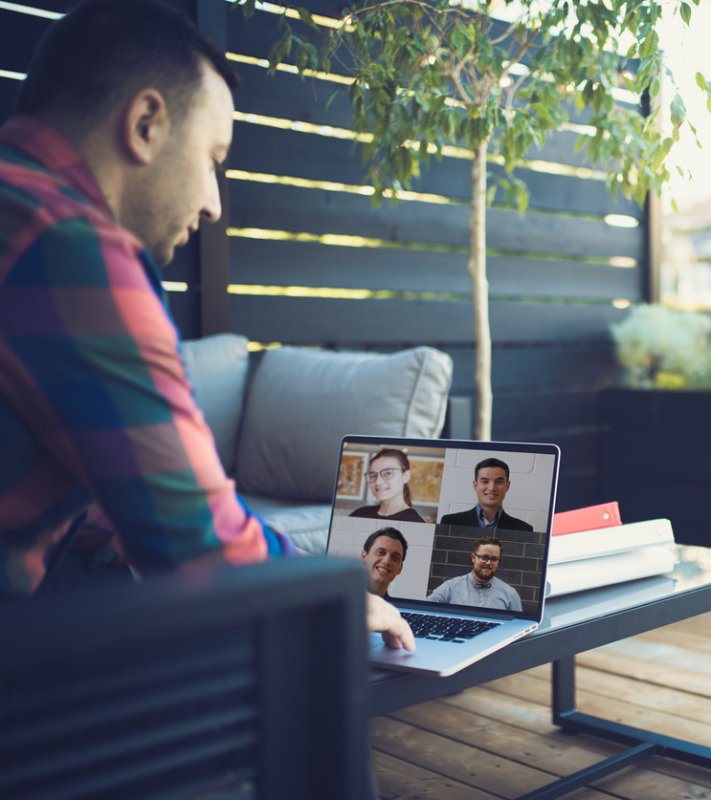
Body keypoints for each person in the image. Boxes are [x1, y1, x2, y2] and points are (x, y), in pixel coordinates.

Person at [0, 0, 413, 650]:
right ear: (144, 124)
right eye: (213, 157)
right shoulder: (70, 245)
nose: (215, 204)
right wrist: (335, 591)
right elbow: (201, 546)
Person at [427, 536, 522, 611]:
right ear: (473, 557)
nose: (489, 563)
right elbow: (425, 610)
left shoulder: (510, 594)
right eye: (484, 557)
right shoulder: (450, 588)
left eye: (494, 559)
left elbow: (517, 628)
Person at [439, 458, 533, 532]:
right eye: (485, 481)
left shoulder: (523, 529)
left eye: (499, 482)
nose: (492, 487)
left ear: (507, 486)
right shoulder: (450, 522)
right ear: (475, 485)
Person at [350, 448, 425, 522]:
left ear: (406, 476)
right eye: (373, 475)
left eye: (388, 473)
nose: (378, 482)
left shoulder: (416, 523)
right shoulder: (359, 514)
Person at [361, 527, 407, 597]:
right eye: (381, 552)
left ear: (400, 569)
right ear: (364, 557)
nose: (387, 561)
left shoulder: (396, 608)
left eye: (395, 557)